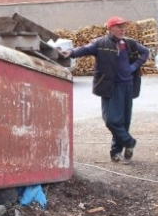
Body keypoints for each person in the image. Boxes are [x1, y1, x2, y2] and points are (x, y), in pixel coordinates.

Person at [61, 16, 150, 163]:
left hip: (128, 86)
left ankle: (116, 152)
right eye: (118, 26)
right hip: (110, 86)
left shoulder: (129, 43)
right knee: (111, 120)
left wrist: (134, 67)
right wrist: (70, 52)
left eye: (123, 26)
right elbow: (84, 49)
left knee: (124, 121)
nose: (122, 29)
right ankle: (129, 142)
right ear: (110, 29)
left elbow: (145, 52)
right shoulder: (100, 43)